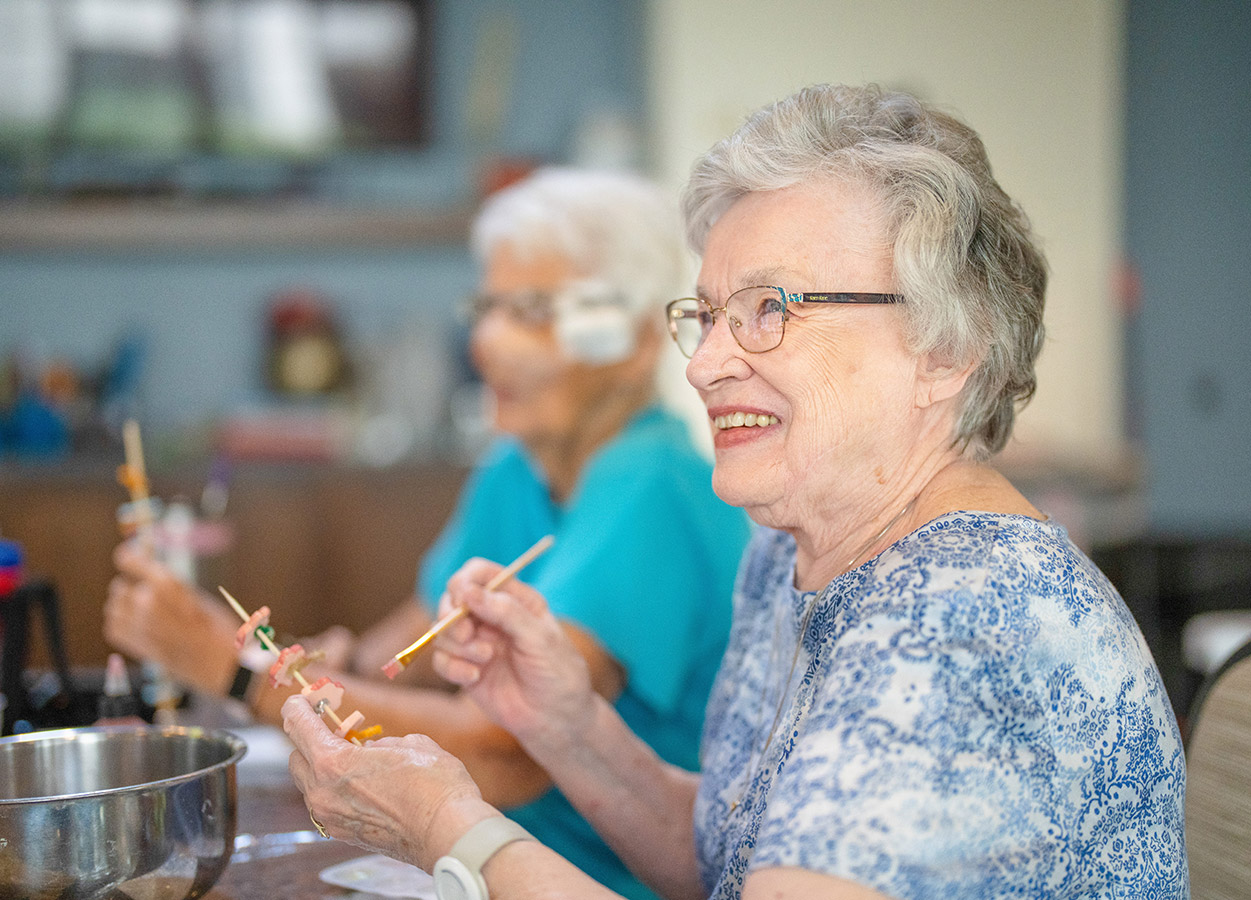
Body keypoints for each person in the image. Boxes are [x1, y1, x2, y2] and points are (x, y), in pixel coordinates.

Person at [279, 84, 1189, 900]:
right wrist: (568, 726)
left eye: (771, 309)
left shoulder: (957, 630)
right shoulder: (791, 553)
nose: (709, 363)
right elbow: (733, 859)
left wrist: (451, 832)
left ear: (947, 351)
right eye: (709, 315)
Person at [103, 167, 752, 900]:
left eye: (532, 312)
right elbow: (391, 659)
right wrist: (316, 665)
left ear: (632, 344)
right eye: (487, 307)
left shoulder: (651, 484)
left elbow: (504, 752)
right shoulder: (518, 465)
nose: (486, 344)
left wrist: (239, 669)